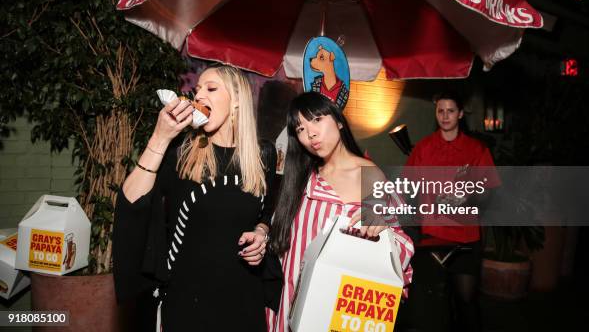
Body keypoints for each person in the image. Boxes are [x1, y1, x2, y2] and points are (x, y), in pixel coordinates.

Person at [113, 64, 276, 331]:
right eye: (197, 89)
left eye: (211, 89)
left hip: (244, 299)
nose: (199, 96)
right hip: (187, 301)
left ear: (237, 101)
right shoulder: (182, 152)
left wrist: (261, 232)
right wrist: (160, 137)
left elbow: (265, 211)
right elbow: (131, 202)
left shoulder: (263, 156)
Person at [267, 92, 414, 332]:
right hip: (296, 301)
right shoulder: (301, 180)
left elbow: (397, 246)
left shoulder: (370, 174)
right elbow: (282, 242)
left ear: (338, 121)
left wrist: (382, 227)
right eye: (300, 129)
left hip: (347, 304)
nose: (310, 134)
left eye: (316, 120)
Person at [403, 91, 500, 332]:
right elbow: (408, 189)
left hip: (465, 238)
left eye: (450, 111)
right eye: (440, 111)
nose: (445, 116)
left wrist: (469, 198)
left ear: (460, 114)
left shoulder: (476, 149)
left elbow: (489, 193)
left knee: (466, 300)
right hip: (432, 238)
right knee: (436, 302)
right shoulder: (423, 148)